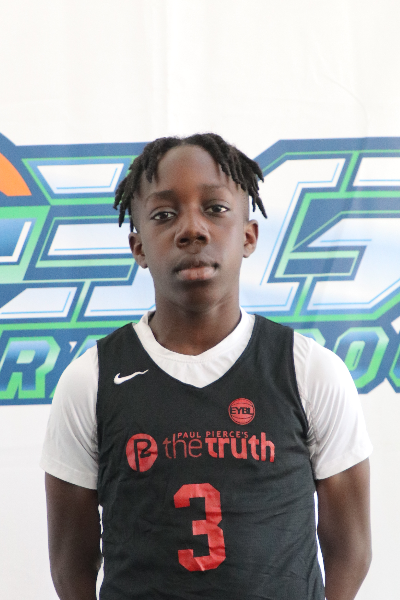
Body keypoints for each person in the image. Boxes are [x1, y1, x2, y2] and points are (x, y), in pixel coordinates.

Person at [41, 133, 372, 600]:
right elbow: (70, 565)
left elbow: (351, 549)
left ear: (248, 236)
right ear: (138, 247)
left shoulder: (309, 370)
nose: (192, 230)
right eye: (164, 215)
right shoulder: (90, 381)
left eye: (215, 209)